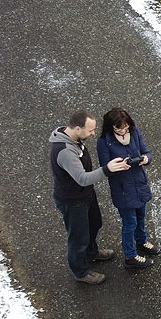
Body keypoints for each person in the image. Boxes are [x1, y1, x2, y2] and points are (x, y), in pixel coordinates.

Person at [49, 110, 129, 285]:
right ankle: (81, 272)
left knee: (95, 223)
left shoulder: (74, 138)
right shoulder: (65, 152)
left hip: (85, 195)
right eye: (90, 130)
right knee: (78, 238)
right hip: (73, 201)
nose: (93, 134)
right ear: (78, 128)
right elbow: (82, 178)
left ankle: (91, 252)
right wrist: (107, 169)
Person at [97, 107, 161, 269]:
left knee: (141, 216)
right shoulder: (104, 142)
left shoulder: (134, 132)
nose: (123, 130)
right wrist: (118, 166)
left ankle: (141, 241)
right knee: (129, 222)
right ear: (111, 126)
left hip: (139, 184)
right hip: (122, 189)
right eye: (119, 128)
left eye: (125, 127)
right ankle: (130, 255)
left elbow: (147, 152)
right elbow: (106, 168)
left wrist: (145, 159)